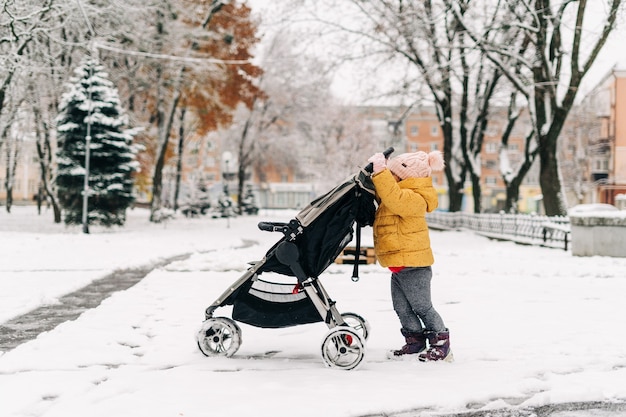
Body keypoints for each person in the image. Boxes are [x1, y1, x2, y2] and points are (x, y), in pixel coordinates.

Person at [367, 150, 453, 362]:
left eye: (395, 175)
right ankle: (414, 341)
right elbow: (384, 193)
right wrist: (380, 171)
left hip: (414, 265)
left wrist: (381, 172)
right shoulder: (398, 192)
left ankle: (442, 344)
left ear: (407, 178)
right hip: (399, 265)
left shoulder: (415, 198)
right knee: (402, 308)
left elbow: (394, 198)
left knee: (422, 307)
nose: (392, 178)